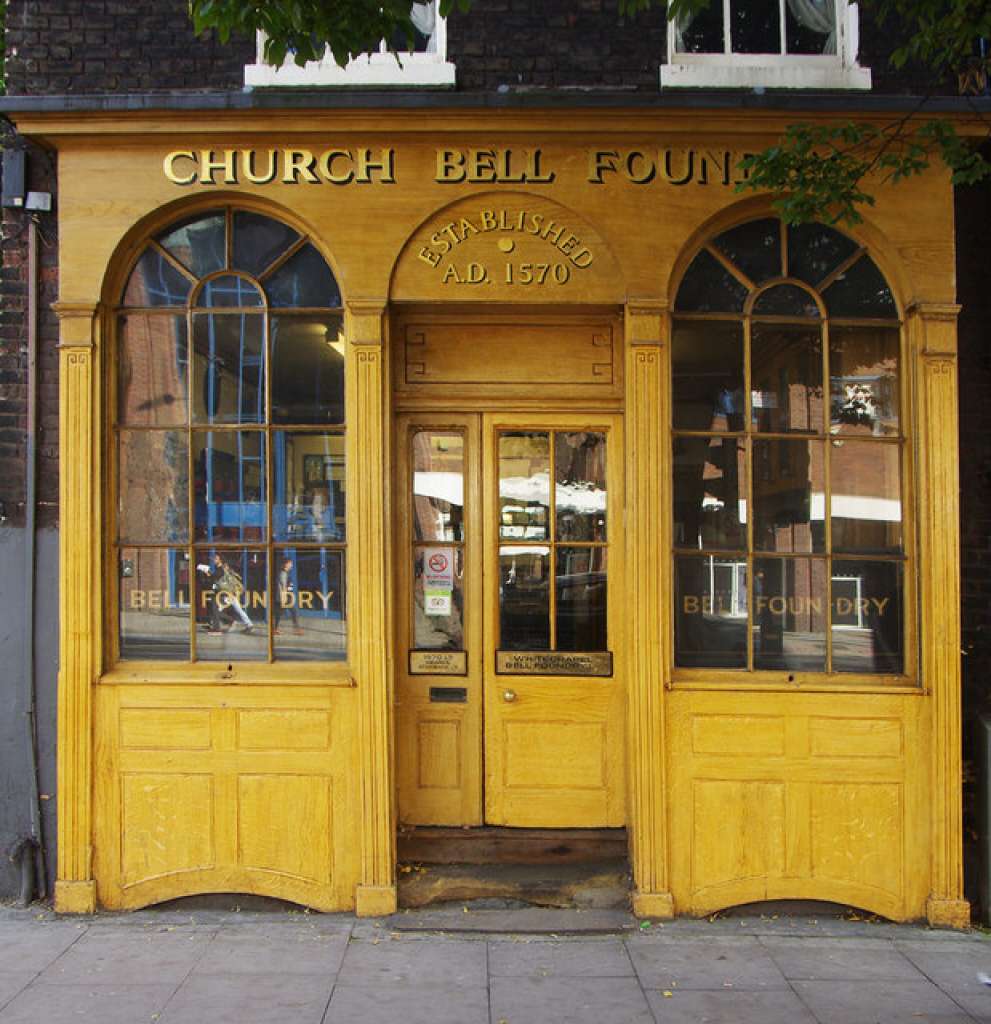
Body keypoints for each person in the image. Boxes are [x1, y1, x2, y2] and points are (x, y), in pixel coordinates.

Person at [199, 553, 253, 635]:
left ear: (220, 560)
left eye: (216, 558)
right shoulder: (223, 569)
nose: (214, 560)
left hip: (226, 594)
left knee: (216, 610)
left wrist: (207, 572)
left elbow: (214, 579)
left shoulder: (221, 569)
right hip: (230, 593)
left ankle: (223, 624)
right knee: (236, 609)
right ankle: (249, 624)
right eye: (214, 558)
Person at [274, 557, 303, 636]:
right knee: (294, 611)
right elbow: (284, 585)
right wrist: (286, 595)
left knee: (279, 613)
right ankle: (296, 629)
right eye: (290, 563)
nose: (291, 565)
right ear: (285, 564)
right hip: (285, 596)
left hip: (284, 596)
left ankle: (275, 629)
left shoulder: (285, 573)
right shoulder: (283, 573)